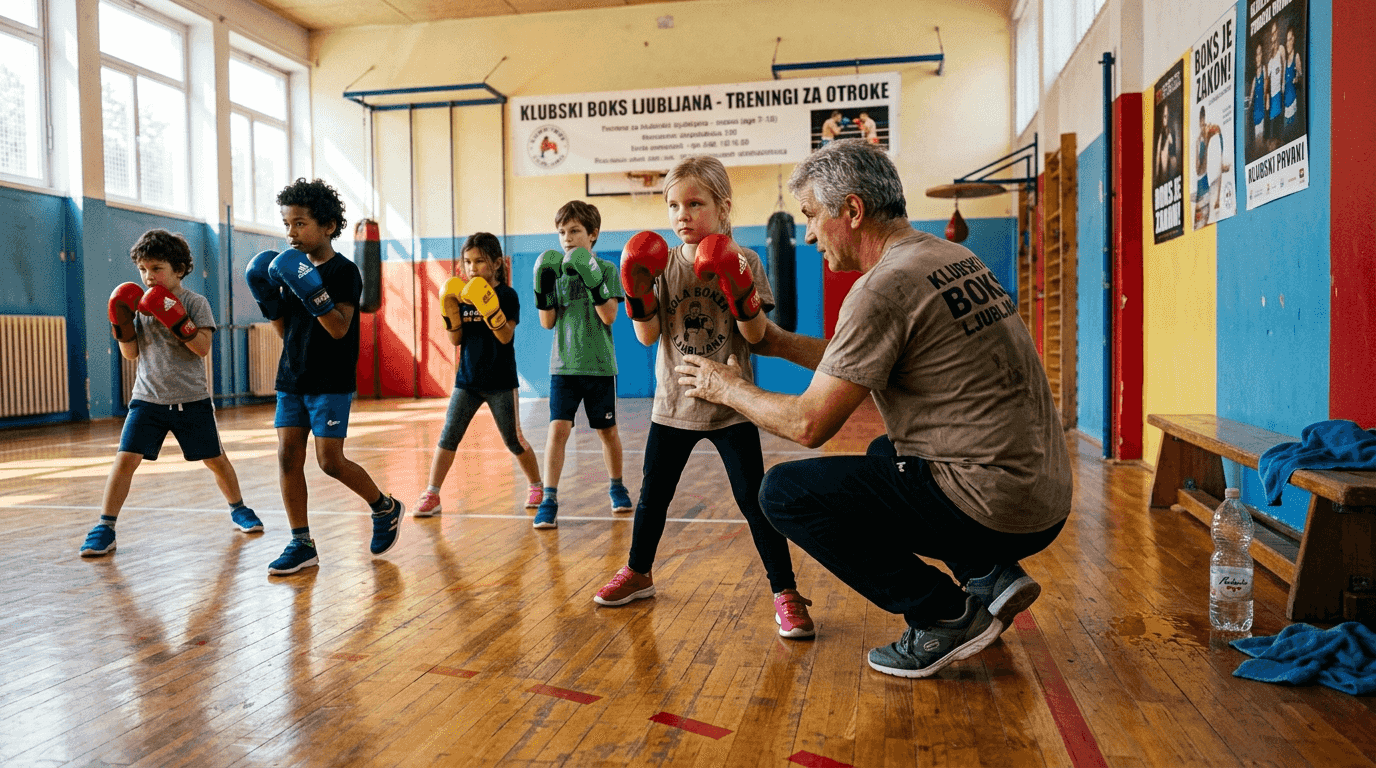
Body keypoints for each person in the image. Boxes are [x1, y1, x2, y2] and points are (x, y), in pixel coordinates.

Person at [676, 140, 1072, 677]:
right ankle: (989, 574)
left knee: (784, 494)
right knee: (887, 451)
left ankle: (944, 615)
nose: (810, 233)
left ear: (853, 211)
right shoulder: (948, 256)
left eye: (814, 216)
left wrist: (726, 388)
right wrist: (774, 340)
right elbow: (858, 362)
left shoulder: (880, 288)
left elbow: (809, 424)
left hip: (996, 506)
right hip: (1044, 492)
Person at [596, 155, 816, 640]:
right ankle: (638, 572)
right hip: (673, 403)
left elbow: (757, 336)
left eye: (695, 203)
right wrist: (637, 290)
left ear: (723, 207)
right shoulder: (661, 263)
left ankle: (785, 591)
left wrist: (737, 288)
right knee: (653, 496)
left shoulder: (748, 260)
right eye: (674, 205)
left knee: (753, 499)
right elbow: (647, 337)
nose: (682, 215)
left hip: (732, 405)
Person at [246, 178, 403, 575]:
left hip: (330, 380)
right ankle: (301, 542)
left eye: (300, 223)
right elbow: (285, 332)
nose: (291, 233)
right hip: (292, 377)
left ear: (329, 226)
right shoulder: (286, 269)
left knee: (330, 462)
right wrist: (270, 298)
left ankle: (384, 507)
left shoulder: (344, 272)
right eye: (287, 224)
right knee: (287, 457)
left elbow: (337, 328)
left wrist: (309, 288)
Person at [80, 229, 259, 556]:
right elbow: (131, 354)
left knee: (215, 460)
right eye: (143, 270)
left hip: (191, 400)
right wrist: (122, 324)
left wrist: (176, 320)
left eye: (156, 269)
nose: (149, 277)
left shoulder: (195, 303)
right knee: (125, 460)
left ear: (179, 269)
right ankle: (105, 527)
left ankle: (239, 508)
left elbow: (202, 348)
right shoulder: (139, 306)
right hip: (147, 399)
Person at [414, 232, 543, 520]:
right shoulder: (460, 295)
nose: (473, 268)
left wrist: (488, 307)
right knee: (449, 435)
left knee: (513, 439)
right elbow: (455, 340)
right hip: (468, 381)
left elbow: (505, 336)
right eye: (468, 262)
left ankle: (536, 484)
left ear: (496, 264)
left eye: (480, 262)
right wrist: (450, 312)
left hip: (500, 382)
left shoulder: (507, 296)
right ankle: (432, 493)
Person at [530, 200, 632, 529]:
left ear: (593, 234)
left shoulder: (606, 269)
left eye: (574, 231)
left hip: (599, 365)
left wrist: (592, 281)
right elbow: (547, 323)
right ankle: (549, 498)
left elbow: (610, 315)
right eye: (562, 232)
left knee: (607, 431)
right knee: (557, 430)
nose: (567, 238)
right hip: (563, 366)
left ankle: (616, 486)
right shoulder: (556, 272)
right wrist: (543, 289)